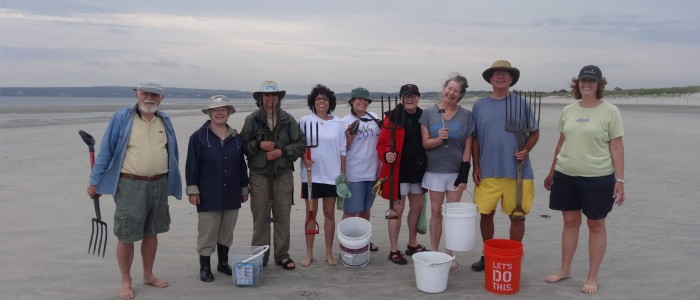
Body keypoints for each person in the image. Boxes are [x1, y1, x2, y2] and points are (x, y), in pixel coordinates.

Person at [86, 79, 182, 300]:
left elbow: (173, 152)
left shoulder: (165, 119)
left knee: (152, 232)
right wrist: (94, 182)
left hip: (159, 183)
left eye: (155, 95)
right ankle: (126, 279)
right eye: (145, 93)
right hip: (130, 184)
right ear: (137, 94)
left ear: (162, 98)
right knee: (126, 235)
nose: (149, 98)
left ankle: (148, 275)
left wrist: (173, 182)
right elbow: (105, 152)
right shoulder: (122, 117)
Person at [543, 65, 625, 294]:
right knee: (569, 222)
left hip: (598, 177)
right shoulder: (568, 110)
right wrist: (552, 172)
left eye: (591, 80)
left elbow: (617, 146)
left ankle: (592, 276)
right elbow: (561, 143)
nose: (586, 84)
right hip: (565, 174)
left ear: (600, 84)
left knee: (596, 224)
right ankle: (565, 269)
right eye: (582, 80)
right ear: (576, 84)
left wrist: (620, 180)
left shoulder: (610, 111)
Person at [471, 60, 540, 272]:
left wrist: (526, 149)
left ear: (511, 79)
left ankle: (514, 255)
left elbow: (534, 132)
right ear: (490, 79)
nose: (500, 77)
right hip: (488, 170)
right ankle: (487, 253)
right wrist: (476, 167)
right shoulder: (479, 105)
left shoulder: (522, 103)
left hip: (517, 171)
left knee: (517, 215)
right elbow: (474, 138)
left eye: (505, 74)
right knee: (485, 213)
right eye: (496, 74)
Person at [240, 81, 304, 271]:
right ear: (260, 98)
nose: (270, 99)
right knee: (260, 218)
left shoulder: (288, 120)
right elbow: (242, 146)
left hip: (283, 176)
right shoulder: (252, 120)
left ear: (279, 98)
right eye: (266, 96)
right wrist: (258, 145)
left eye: (273, 95)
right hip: (259, 176)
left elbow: (300, 144)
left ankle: (282, 255)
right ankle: (260, 255)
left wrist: (281, 151)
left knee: (283, 217)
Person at [185, 95, 249, 282]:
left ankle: (222, 264)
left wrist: (244, 189)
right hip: (208, 193)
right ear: (210, 112)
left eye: (223, 109)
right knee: (208, 232)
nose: (220, 113)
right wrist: (193, 190)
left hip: (231, 192)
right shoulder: (198, 137)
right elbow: (192, 166)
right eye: (215, 110)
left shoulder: (236, 138)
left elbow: (241, 166)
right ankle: (204, 267)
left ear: (229, 112)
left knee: (227, 231)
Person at [419, 74, 474, 270]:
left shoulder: (467, 115)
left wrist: (464, 173)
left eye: (456, 91)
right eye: (449, 89)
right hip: (434, 170)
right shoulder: (428, 113)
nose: (451, 93)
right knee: (435, 212)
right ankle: (435, 252)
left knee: (451, 214)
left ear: (460, 95)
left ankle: (449, 254)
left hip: (455, 171)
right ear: (444, 89)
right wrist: (439, 139)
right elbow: (425, 144)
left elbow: (468, 145)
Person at [376, 84, 428, 265]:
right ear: (401, 98)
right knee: (396, 210)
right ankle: (393, 249)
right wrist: (385, 154)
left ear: (418, 97)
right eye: (406, 95)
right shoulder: (391, 118)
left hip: (418, 171)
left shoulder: (424, 117)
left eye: (413, 95)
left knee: (417, 208)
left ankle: (412, 244)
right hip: (397, 171)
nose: (410, 98)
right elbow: (381, 144)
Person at [298, 84, 347, 267]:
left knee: (329, 214)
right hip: (311, 176)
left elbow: (343, 150)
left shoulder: (338, 123)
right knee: (311, 214)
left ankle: (328, 253)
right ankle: (309, 253)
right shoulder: (304, 121)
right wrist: (304, 157)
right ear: (313, 102)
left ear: (330, 103)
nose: (321, 101)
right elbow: (299, 146)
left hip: (331, 175)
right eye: (318, 98)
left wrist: (343, 174)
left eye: (325, 99)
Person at [341, 87, 381, 252]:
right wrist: (350, 138)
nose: (362, 102)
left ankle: (364, 239)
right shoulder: (344, 121)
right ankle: (346, 241)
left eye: (365, 100)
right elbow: (343, 149)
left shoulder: (375, 118)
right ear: (351, 101)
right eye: (359, 99)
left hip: (373, 172)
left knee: (365, 209)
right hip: (354, 173)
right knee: (351, 211)